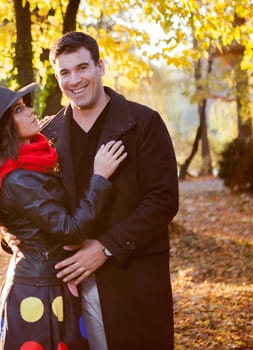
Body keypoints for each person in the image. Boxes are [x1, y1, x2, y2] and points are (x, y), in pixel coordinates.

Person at [0, 82, 127, 350]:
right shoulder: (19, 178)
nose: (31, 112)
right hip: (38, 293)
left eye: (26, 105)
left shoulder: (26, 165)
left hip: (47, 284)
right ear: (5, 126)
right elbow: (71, 230)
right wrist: (99, 178)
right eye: (19, 110)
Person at [37, 31, 179, 349]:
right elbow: (30, 201)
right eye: (65, 72)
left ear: (100, 66)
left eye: (82, 68)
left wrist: (105, 247)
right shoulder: (47, 135)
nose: (74, 79)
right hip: (66, 284)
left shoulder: (144, 123)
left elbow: (163, 199)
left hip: (134, 277)